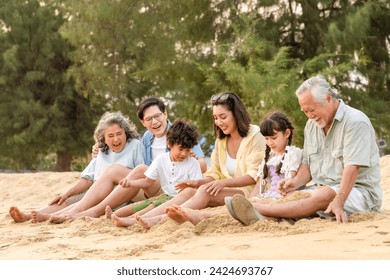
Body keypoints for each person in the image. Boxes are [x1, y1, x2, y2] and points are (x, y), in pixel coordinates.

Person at [228, 74, 382, 224]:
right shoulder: (311, 126)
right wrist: (294, 183)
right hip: (319, 190)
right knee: (289, 198)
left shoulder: (355, 122)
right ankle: (265, 216)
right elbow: (307, 165)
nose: (309, 116)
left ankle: (260, 209)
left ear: (328, 98)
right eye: (305, 112)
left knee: (324, 194)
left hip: (358, 193)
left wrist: (339, 201)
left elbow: (352, 167)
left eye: (312, 109)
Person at [34, 97, 207, 222]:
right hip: (153, 186)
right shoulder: (147, 138)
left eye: (158, 116)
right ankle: (75, 211)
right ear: (143, 122)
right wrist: (99, 146)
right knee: (130, 170)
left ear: (165, 114)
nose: (155, 122)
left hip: (174, 188)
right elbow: (144, 170)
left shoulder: (180, 135)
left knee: (131, 170)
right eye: (149, 119)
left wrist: (189, 157)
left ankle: (92, 212)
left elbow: (201, 165)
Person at [117, 91, 265, 229]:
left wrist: (221, 183)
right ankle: (138, 219)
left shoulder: (254, 136)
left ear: (236, 114)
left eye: (223, 117)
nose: (218, 122)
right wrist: (197, 182)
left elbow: (254, 176)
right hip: (225, 190)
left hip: (246, 193)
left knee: (204, 192)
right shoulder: (222, 140)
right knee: (189, 191)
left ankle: (159, 219)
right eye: (215, 118)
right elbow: (215, 173)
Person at [167, 111, 303, 226]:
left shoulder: (293, 154)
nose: (270, 143)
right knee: (245, 207)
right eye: (266, 139)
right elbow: (260, 183)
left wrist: (277, 196)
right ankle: (201, 216)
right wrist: (252, 199)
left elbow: (291, 180)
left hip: (282, 196)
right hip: (267, 195)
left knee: (264, 211)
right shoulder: (269, 157)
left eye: (273, 138)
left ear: (287, 133)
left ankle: (204, 217)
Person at [9, 111, 143, 223]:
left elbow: (140, 174)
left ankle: (57, 216)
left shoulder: (135, 145)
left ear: (126, 132)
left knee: (82, 204)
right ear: (104, 138)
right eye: (111, 136)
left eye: (119, 134)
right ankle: (28, 216)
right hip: (95, 191)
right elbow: (87, 179)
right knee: (67, 200)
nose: (116, 139)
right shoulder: (101, 151)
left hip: (118, 193)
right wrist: (66, 194)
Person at [105, 119, 202, 219]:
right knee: (140, 205)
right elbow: (147, 182)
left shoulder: (192, 163)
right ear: (169, 143)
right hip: (165, 196)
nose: (184, 154)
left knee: (151, 206)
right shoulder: (161, 159)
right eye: (181, 149)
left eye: (188, 150)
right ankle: (112, 215)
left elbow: (197, 190)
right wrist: (131, 183)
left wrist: (189, 185)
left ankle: (129, 219)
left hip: (180, 199)